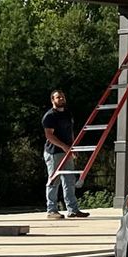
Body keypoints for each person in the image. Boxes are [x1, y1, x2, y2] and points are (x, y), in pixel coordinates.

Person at [42, 89, 88, 220]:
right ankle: (51, 210)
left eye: (62, 97)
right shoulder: (50, 116)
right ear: (53, 100)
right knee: (53, 180)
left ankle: (73, 210)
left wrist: (72, 148)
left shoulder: (67, 113)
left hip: (67, 152)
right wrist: (64, 146)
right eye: (58, 97)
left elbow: (70, 132)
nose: (61, 99)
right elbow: (49, 135)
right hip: (54, 153)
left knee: (69, 181)